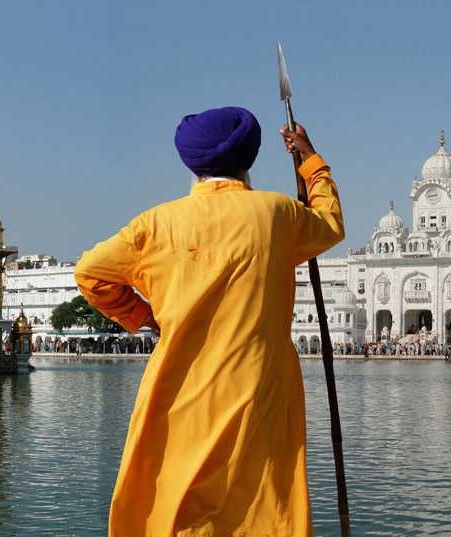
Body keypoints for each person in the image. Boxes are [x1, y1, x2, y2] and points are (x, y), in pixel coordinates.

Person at [75, 107, 344, 536]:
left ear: (191, 162)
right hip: (260, 388)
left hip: (181, 388)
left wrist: (143, 316)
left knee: (177, 500)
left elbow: (90, 273)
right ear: (249, 157)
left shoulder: (156, 224)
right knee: (261, 500)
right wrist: (311, 163)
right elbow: (329, 224)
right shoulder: (276, 215)